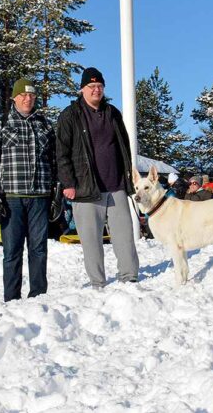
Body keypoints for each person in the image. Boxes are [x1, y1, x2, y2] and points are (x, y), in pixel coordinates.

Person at [56, 67, 139, 289]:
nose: (96, 90)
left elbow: (123, 146)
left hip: (115, 185)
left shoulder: (112, 113)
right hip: (85, 187)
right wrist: (68, 183)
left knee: (124, 235)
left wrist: (128, 174)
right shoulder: (70, 115)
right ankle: (97, 281)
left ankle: (129, 276)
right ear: (82, 89)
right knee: (91, 240)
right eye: (91, 86)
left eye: (100, 86)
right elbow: (61, 152)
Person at [0, 78, 56, 301]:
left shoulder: (44, 124)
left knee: (39, 250)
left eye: (32, 95)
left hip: (40, 197)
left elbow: (54, 161)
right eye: (23, 95)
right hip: (11, 198)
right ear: (14, 98)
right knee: (12, 252)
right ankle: (11, 298)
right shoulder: (1, 122)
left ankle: (38, 296)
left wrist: (56, 192)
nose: (28, 99)